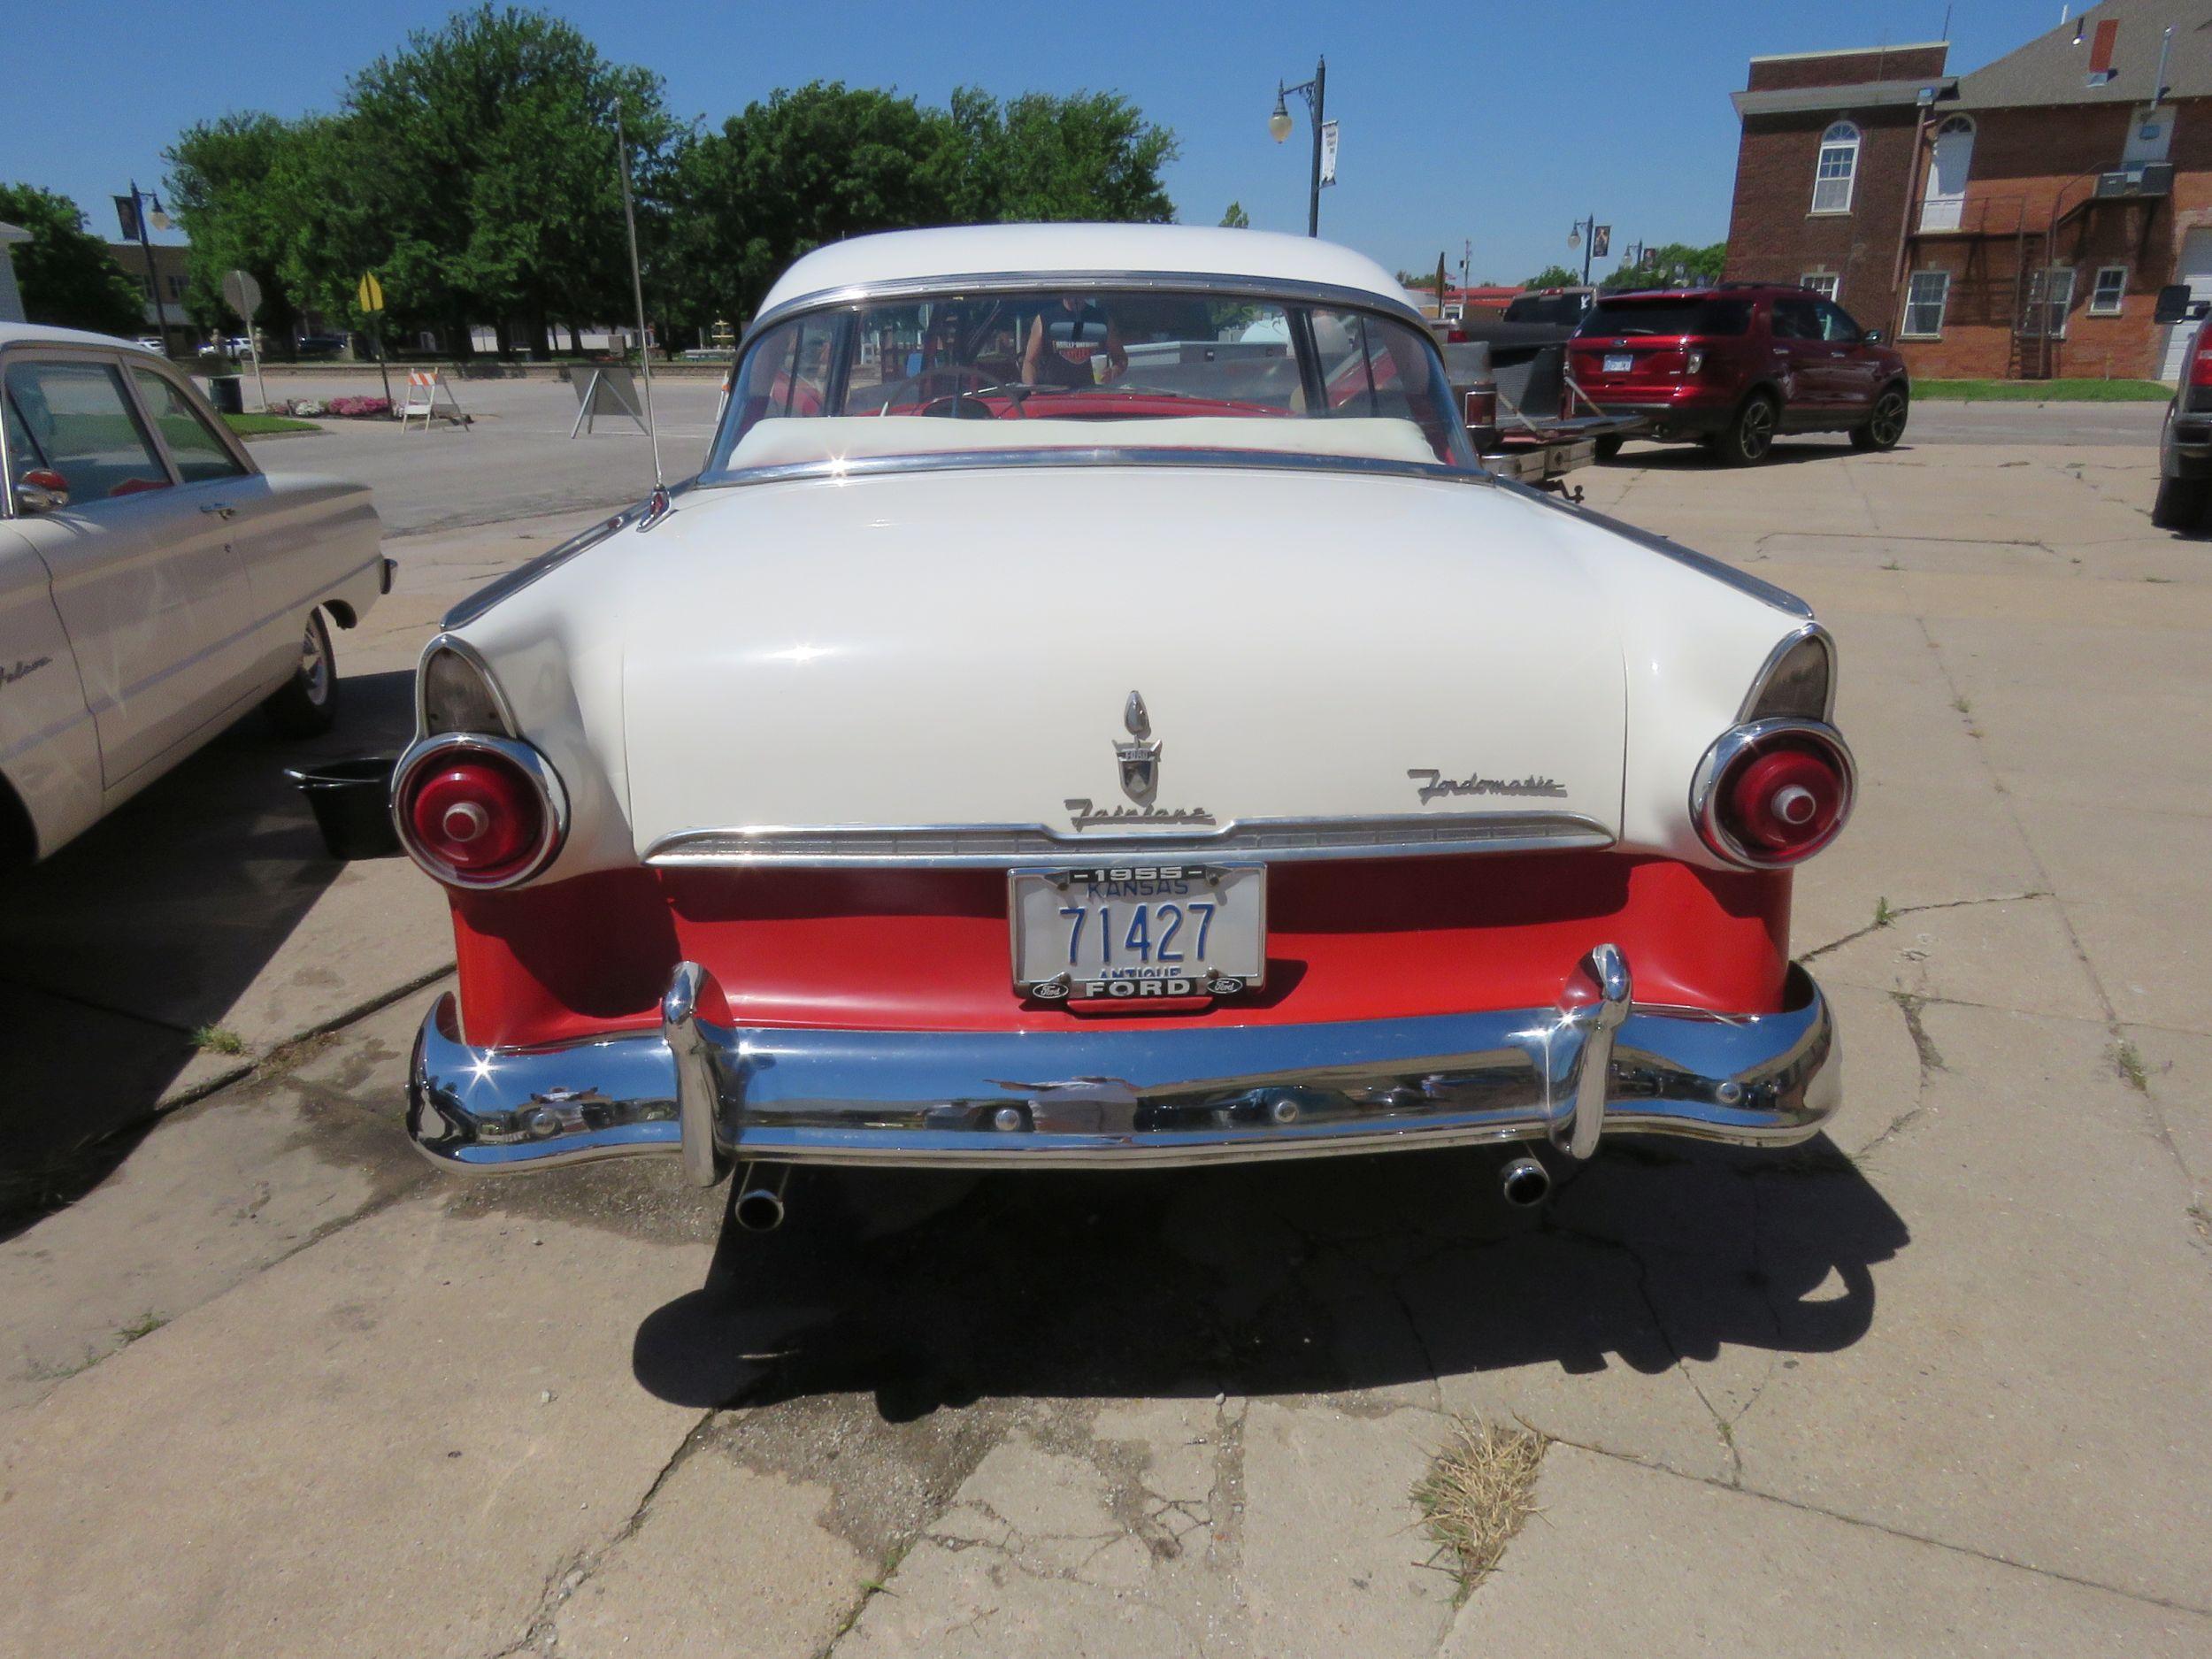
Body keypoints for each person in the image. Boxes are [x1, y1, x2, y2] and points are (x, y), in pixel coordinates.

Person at [1022, 295, 1126, 388]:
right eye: (1069, 290)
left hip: (1094, 396)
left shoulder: (1101, 318)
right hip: (1054, 398)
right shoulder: (1045, 319)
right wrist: (1032, 393)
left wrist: (1113, 372)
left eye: (1077, 291)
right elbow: (1030, 362)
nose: (1074, 295)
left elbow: (1121, 359)